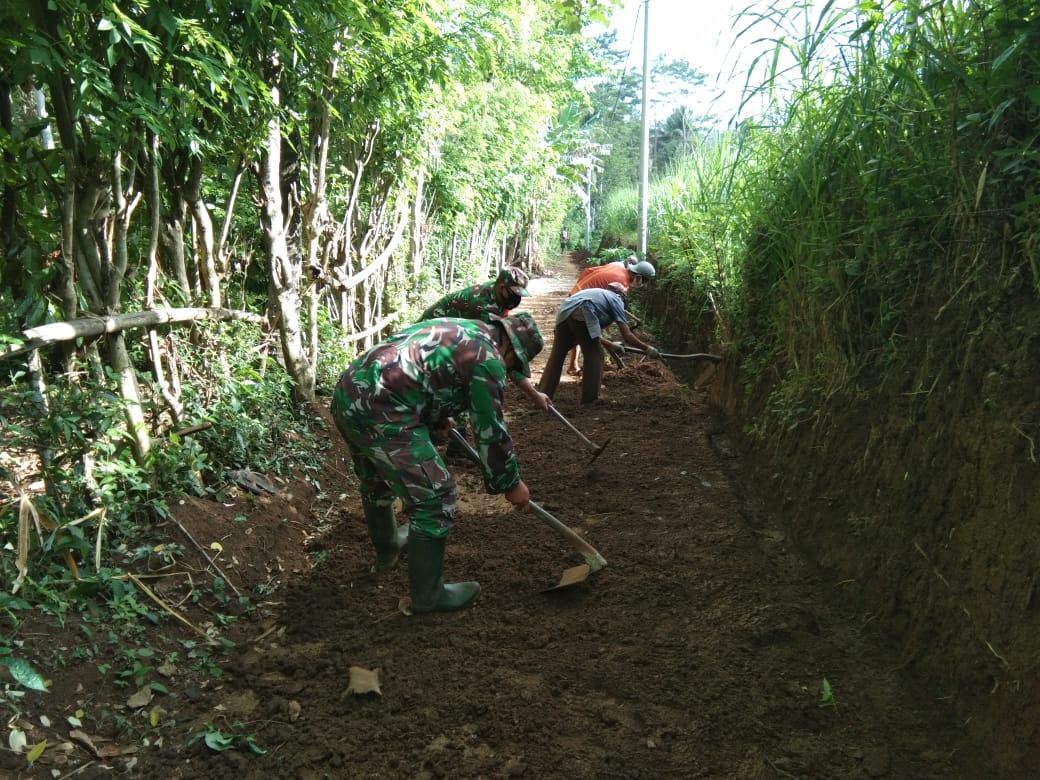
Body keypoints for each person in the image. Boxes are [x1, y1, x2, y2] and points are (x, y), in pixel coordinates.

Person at [330, 313, 544, 614]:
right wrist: (510, 483)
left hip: (350, 392)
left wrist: (435, 414)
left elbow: (420, 370)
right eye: (513, 366)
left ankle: (389, 546)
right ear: (511, 349)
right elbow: (490, 428)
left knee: (377, 477)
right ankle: (429, 596)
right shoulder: (489, 359)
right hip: (383, 408)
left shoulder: (466, 328)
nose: (508, 372)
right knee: (435, 497)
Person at [419, 266, 550, 456]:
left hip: (449, 338)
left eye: (519, 294)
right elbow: (497, 355)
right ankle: (446, 444)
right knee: (462, 385)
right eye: (513, 293)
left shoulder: (497, 299)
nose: (516, 299)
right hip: (431, 341)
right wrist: (533, 393)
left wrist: (534, 393)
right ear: (501, 286)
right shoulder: (482, 307)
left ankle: (451, 441)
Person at [538, 283, 660, 404]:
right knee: (595, 355)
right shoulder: (616, 299)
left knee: (557, 355)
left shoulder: (598, 294)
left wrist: (611, 345)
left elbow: (593, 335)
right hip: (583, 311)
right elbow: (627, 335)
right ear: (621, 295)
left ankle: (543, 394)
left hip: (564, 312)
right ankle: (590, 399)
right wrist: (647, 348)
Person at [565, 256, 656, 375]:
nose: (643, 285)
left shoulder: (617, 267)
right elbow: (623, 329)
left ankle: (573, 365)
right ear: (638, 278)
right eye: (645, 282)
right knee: (592, 338)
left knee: (583, 332)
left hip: (577, 294)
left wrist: (578, 289)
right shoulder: (622, 283)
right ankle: (587, 371)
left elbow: (589, 271)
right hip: (583, 302)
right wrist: (646, 348)